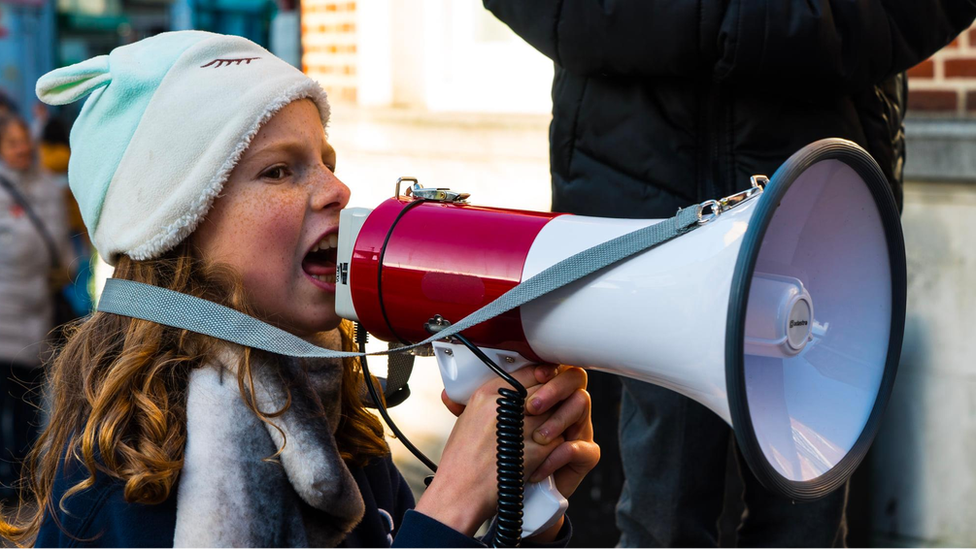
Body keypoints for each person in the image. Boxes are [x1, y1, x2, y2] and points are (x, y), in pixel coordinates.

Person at [0, 31, 600, 547]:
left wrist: (522, 520)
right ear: (174, 226)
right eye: (279, 170)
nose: (337, 189)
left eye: (326, 159)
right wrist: (453, 503)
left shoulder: (334, 428)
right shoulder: (128, 477)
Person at [484, 1, 976, 547]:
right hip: (644, 205)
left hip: (819, 204)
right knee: (663, 516)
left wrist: (761, 19)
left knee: (801, 521)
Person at [0, 113, 73, 503]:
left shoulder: (46, 185)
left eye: (23, 140)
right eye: (12, 143)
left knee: (29, 403)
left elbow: (60, 244)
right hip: (3, 315)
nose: (21, 148)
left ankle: (23, 477)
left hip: (37, 313)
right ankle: (5, 477)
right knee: (4, 403)